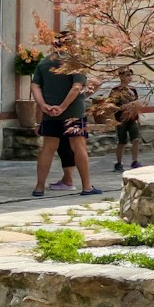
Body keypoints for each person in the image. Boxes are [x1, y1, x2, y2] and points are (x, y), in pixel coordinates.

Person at [30, 48, 98, 197]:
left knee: (48, 148)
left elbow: (35, 85)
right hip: (73, 113)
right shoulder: (75, 63)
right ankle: (87, 187)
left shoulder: (44, 63)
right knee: (79, 147)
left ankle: (39, 187)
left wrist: (43, 105)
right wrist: (62, 107)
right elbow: (76, 87)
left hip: (50, 113)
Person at [106, 73, 142, 172]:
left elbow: (137, 102)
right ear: (122, 77)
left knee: (136, 139)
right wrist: (120, 108)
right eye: (127, 76)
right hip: (121, 118)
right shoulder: (116, 90)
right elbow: (109, 104)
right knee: (122, 141)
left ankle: (135, 161)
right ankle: (119, 163)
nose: (130, 78)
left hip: (132, 117)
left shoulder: (133, 89)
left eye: (131, 75)